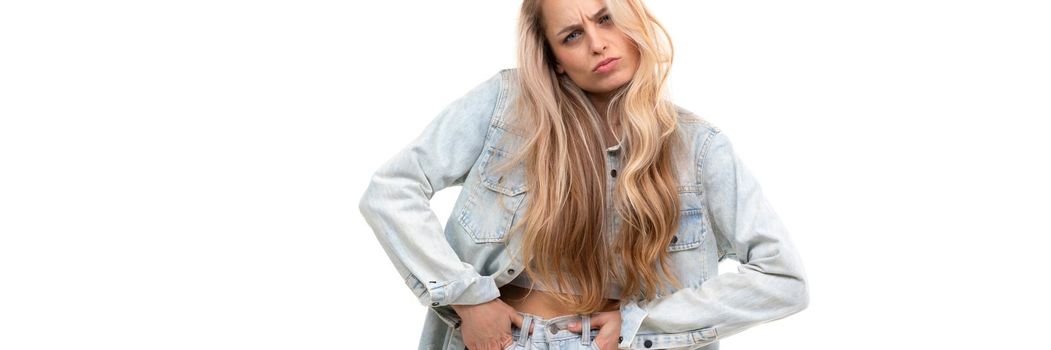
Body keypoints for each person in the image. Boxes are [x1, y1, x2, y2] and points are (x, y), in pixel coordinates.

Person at [358, 0, 810, 349]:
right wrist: (467, 298)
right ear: (554, 57)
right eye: (573, 35)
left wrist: (641, 323)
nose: (598, 43)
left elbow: (782, 279)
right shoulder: (507, 105)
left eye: (606, 19)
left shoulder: (699, 148)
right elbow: (391, 191)